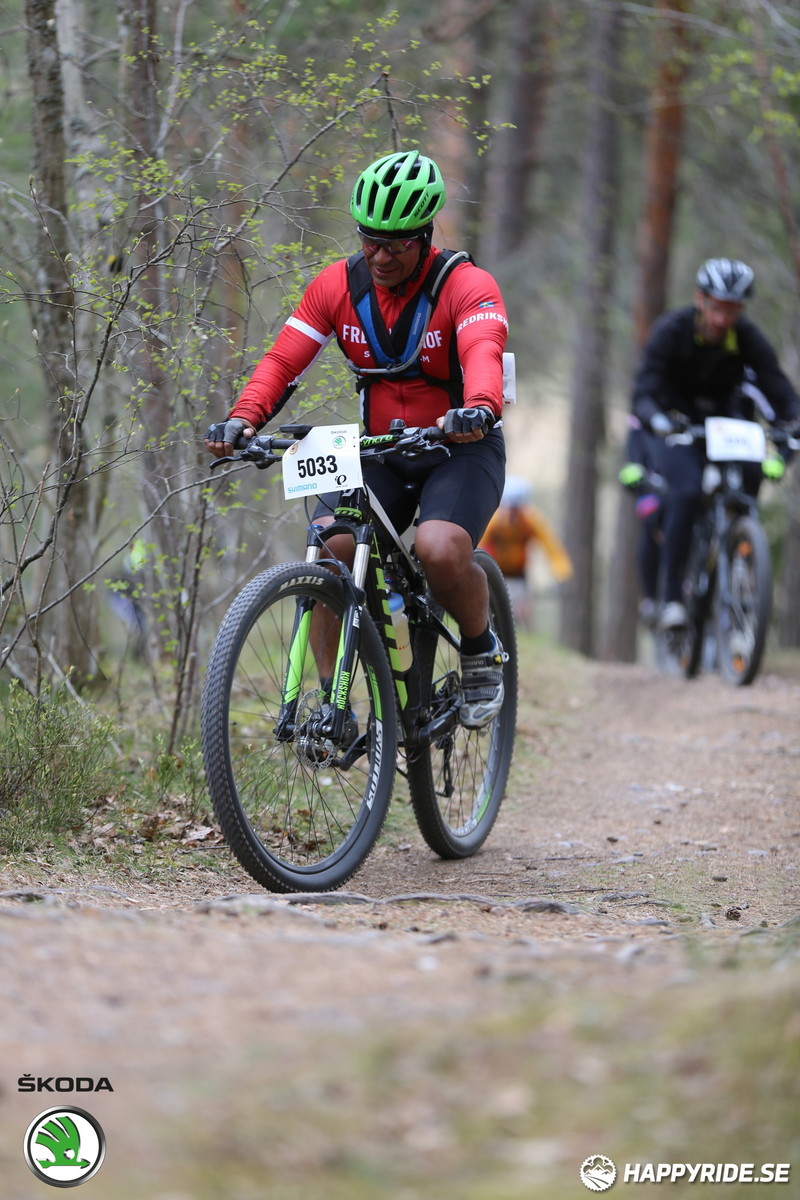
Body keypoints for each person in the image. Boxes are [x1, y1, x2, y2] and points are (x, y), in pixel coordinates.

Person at [205, 149, 510, 728]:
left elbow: (482, 350)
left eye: (396, 244)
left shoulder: (466, 285)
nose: (380, 255)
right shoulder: (337, 286)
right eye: (370, 239)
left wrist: (479, 407)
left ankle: (479, 648)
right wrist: (244, 419)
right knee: (330, 546)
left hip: (459, 446)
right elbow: (283, 361)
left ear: (425, 237)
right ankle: (332, 704)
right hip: (380, 449)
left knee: (440, 549)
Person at [631, 257, 799, 631]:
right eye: (717, 307)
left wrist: (792, 428)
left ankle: (742, 558)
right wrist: (658, 420)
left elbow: (778, 389)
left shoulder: (747, 337)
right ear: (700, 299)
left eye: (733, 310)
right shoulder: (671, 331)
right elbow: (643, 393)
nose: (723, 319)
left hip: (728, 427)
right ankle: (672, 599)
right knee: (687, 491)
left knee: (752, 475)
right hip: (678, 426)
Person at [478, 475, 572, 629]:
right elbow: (480, 544)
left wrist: (562, 574)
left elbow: (552, 547)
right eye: (510, 507)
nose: (513, 513)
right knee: (492, 608)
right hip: (495, 570)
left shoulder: (531, 520)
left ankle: (521, 633)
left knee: (521, 613)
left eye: (517, 508)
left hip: (519, 574)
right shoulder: (495, 521)